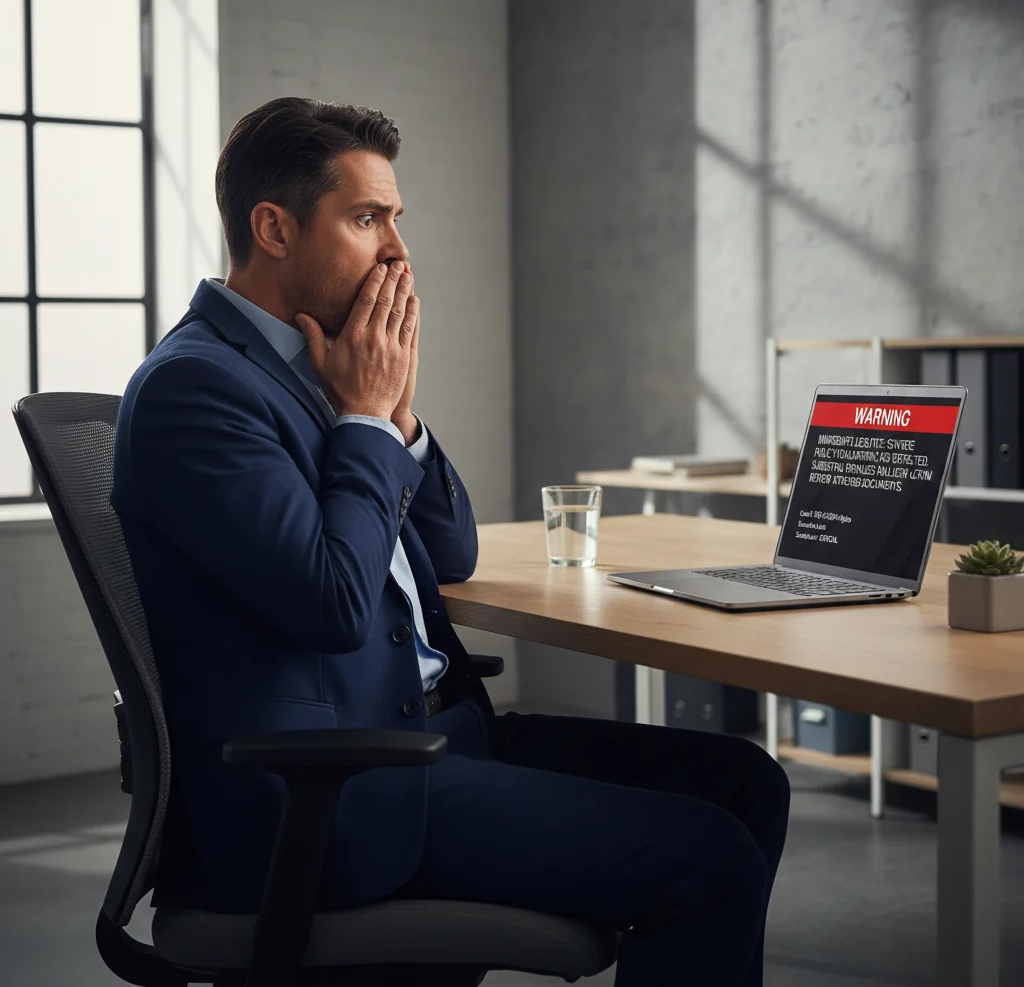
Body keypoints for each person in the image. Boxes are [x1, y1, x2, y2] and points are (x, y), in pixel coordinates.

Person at [111, 97, 790, 986]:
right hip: (338, 793)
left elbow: (453, 550)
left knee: (748, 782)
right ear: (273, 228)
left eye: (395, 220)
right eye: (366, 219)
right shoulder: (195, 389)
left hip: (440, 736)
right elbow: (332, 601)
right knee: (711, 859)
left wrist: (398, 414)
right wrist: (362, 420)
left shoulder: (322, 363)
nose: (396, 249)